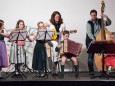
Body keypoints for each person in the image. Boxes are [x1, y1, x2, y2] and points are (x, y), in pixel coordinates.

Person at [85, 9, 111, 78]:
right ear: (90, 15)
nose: (94, 16)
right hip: (91, 40)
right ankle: (91, 72)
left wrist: (107, 17)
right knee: (91, 56)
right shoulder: (89, 23)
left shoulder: (101, 21)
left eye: (95, 15)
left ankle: (103, 70)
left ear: (96, 15)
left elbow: (109, 23)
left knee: (103, 54)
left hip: (100, 40)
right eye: (92, 15)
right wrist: (93, 40)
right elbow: (89, 33)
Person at [45, 11, 66, 76]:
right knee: (55, 46)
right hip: (50, 40)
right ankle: (53, 69)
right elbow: (43, 27)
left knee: (56, 53)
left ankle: (54, 70)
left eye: (58, 17)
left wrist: (64, 33)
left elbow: (64, 33)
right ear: (53, 17)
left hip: (58, 41)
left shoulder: (62, 24)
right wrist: (47, 30)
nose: (57, 18)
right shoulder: (49, 23)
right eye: (56, 17)